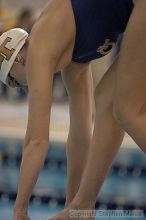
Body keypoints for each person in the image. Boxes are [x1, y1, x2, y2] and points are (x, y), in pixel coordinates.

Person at [0, 0, 145, 219]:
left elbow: (36, 140)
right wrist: (72, 205)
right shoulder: (74, 62)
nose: (22, 88)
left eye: (12, 82)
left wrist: (19, 210)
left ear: (16, 59)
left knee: (127, 110)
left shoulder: (39, 45)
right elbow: (80, 137)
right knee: (107, 100)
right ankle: (80, 208)